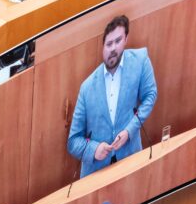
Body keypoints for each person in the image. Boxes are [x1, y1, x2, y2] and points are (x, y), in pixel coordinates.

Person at [67, 15, 157, 178]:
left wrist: (129, 131)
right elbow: (73, 142)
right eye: (109, 44)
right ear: (102, 47)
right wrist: (94, 149)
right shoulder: (87, 88)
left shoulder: (140, 60)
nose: (113, 48)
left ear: (126, 39)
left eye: (118, 41)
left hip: (131, 162)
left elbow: (150, 95)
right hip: (97, 174)